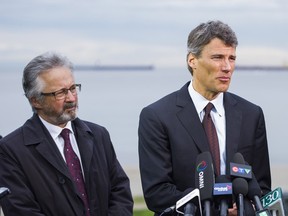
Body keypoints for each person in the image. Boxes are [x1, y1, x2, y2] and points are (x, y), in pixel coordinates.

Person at [138, 20, 271, 216]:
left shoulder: (252, 114)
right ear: (192, 60)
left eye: (231, 58)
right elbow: (157, 194)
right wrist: (218, 211)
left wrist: (246, 210)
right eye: (217, 57)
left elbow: (262, 187)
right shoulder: (156, 116)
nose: (227, 67)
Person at [0, 52, 133, 216]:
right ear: (35, 100)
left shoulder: (99, 135)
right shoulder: (11, 150)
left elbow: (120, 193)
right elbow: (21, 210)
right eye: (60, 92)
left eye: (73, 88)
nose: (71, 98)